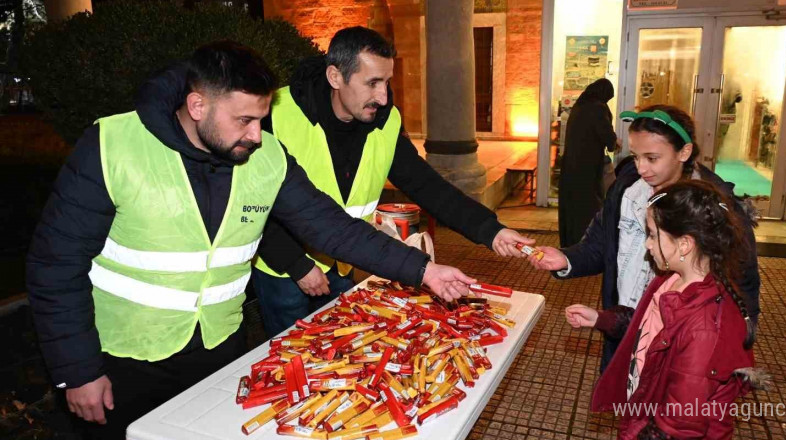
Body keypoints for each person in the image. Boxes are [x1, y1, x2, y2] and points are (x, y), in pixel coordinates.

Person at [25, 41, 475, 440]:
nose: (257, 135)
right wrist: (77, 370)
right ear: (197, 105)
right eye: (244, 120)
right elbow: (55, 264)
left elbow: (331, 227)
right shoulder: (113, 144)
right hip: (122, 359)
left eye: (261, 119)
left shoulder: (265, 156)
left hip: (219, 351)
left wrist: (423, 270)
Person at [252, 26, 533, 336]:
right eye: (372, 83)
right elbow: (253, 202)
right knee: (286, 359)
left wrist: (490, 230)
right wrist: (296, 264)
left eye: (386, 82)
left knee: (337, 358)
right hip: (283, 269)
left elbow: (427, 186)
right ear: (335, 77)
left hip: (347, 256)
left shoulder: (384, 119)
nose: (383, 96)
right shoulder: (275, 114)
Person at [528, 105, 760, 370]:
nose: (641, 168)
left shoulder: (714, 207)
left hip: (682, 342)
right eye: (636, 157)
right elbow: (601, 244)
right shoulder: (627, 189)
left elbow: (743, 281)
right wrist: (566, 258)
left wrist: (740, 336)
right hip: (626, 326)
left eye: (652, 158)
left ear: (683, 152)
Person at [568, 180, 766, 439]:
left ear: (684, 245)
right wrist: (602, 319)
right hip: (645, 409)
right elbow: (649, 329)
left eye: (651, 234)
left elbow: (680, 424)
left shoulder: (705, 328)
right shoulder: (671, 280)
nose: (647, 244)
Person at [558, 78, 616, 248]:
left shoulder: (580, 106)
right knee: (588, 204)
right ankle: (586, 242)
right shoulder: (598, 108)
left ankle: (570, 240)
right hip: (587, 167)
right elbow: (606, 134)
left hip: (571, 164)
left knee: (572, 204)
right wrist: (614, 142)